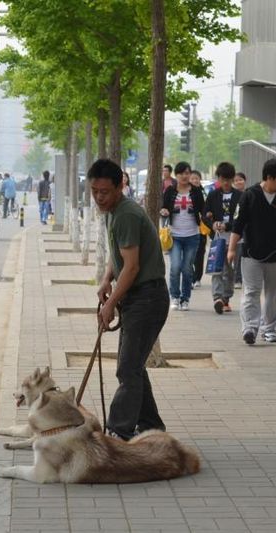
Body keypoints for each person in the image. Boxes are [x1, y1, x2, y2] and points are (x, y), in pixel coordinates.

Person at [91, 158, 169, 442]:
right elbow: (119, 256)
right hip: (137, 297)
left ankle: (118, 431)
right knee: (133, 365)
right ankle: (150, 425)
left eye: (105, 191)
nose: (99, 197)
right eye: (95, 191)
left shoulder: (125, 214)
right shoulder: (112, 212)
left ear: (119, 187)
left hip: (148, 298)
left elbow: (133, 266)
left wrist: (111, 304)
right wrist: (106, 280)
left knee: (127, 367)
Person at [228, 158, 276, 345]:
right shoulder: (250, 195)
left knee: (274, 293)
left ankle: (269, 328)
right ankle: (250, 328)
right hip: (251, 253)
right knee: (251, 291)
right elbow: (238, 225)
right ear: (269, 177)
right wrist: (231, 249)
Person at [160, 161, 205, 311]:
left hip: (192, 235)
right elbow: (164, 207)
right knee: (175, 267)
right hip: (175, 235)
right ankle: (174, 297)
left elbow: (203, 210)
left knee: (186, 268)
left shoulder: (197, 191)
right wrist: (164, 211)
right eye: (181, 173)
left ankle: (185, 299)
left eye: (187, 173)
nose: (185, 176)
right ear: (176, 175)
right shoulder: (170, 191)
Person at [204, 161, 243, 314]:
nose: (226, 182)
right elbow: (205, 214)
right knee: (217, 269)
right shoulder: (213, 195)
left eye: (228, 179)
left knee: (230, 271)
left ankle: (226, 297)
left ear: (232, 179)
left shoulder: (240, 196)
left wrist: (228, 226)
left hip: (236, 239)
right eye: (222, 179)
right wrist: (212, 224)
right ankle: (217, 298)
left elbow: (241, 219)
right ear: (218, 179)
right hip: (218, 239)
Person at [190, 170, 208, 289]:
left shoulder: (205, 193)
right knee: (189, 253)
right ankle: (191, 276)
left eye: (197, 178)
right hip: (189, 228)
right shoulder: (186, 193)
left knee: (200, 253)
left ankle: (197, 277)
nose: (195, 180)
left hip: (202, 228)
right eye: (193, 178)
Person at [232, 172, 247, 287]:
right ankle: (237, 278)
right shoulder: (232, 196)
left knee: (242, 254)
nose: (238, 182)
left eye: (240, 180)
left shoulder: (249, 194)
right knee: (237, 254)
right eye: (236, 180)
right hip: (236, 228)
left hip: (247, 228)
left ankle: (240, 277)